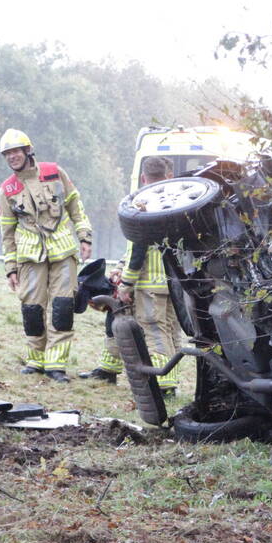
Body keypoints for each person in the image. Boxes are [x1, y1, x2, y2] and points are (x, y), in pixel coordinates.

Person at [80, 156, 182, 395]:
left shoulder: (142, 203)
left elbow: (139, 250)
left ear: (143, 178)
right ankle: (110, 368)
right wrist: (120, 267)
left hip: (148, 284)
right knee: (170, 331)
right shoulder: (177, 203)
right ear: (168, 177)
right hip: (174, 284)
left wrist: (125, 283)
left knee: (154, 332)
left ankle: (164, 385)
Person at [0, 128, 93, 383]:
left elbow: (75, 204)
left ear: (28, 150)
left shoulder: (54, 171)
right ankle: (35, 361)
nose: (12, 157)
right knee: (31, 310)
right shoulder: (7, 189)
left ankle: (56, 365)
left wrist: (84, 235)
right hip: (29, 257)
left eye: (15, 151)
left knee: (62, 308)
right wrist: (11, 267)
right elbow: (6, 232)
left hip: (62, 251)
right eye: (7, 154)